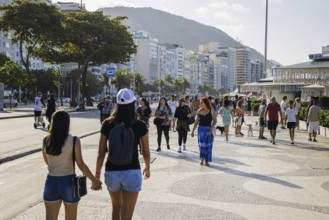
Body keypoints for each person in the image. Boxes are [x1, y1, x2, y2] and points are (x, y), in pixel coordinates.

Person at [95, 88, 150, 220]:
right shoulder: (140, 125)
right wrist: (147, 167)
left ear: (117, 104)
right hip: (132, 171)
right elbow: (146, 151)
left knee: (116, 208)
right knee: (127, 216)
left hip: (111, 172)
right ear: (133, 104)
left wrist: (97, 175)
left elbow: (101, 152)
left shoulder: (107, 123)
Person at [42, 110, 102, 220]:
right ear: (67, 123)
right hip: (69, 182)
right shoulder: (74, 140)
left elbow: (47, 162)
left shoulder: (46, 140)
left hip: (51, 182)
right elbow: (81, 164)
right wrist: (94, 180)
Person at [191, 97, 217, 166]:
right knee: (201, 145)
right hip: (201, 130)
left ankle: (207, 160)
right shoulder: (199, 111)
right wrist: (193, 131)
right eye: (200, 102)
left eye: (201, 102)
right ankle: (202, 158)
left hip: (209, 130)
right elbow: (196, 121)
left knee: (208, 146)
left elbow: (215, 120)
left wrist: (212, 127)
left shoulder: (211, 110)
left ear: (206, 103)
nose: (200, 104)